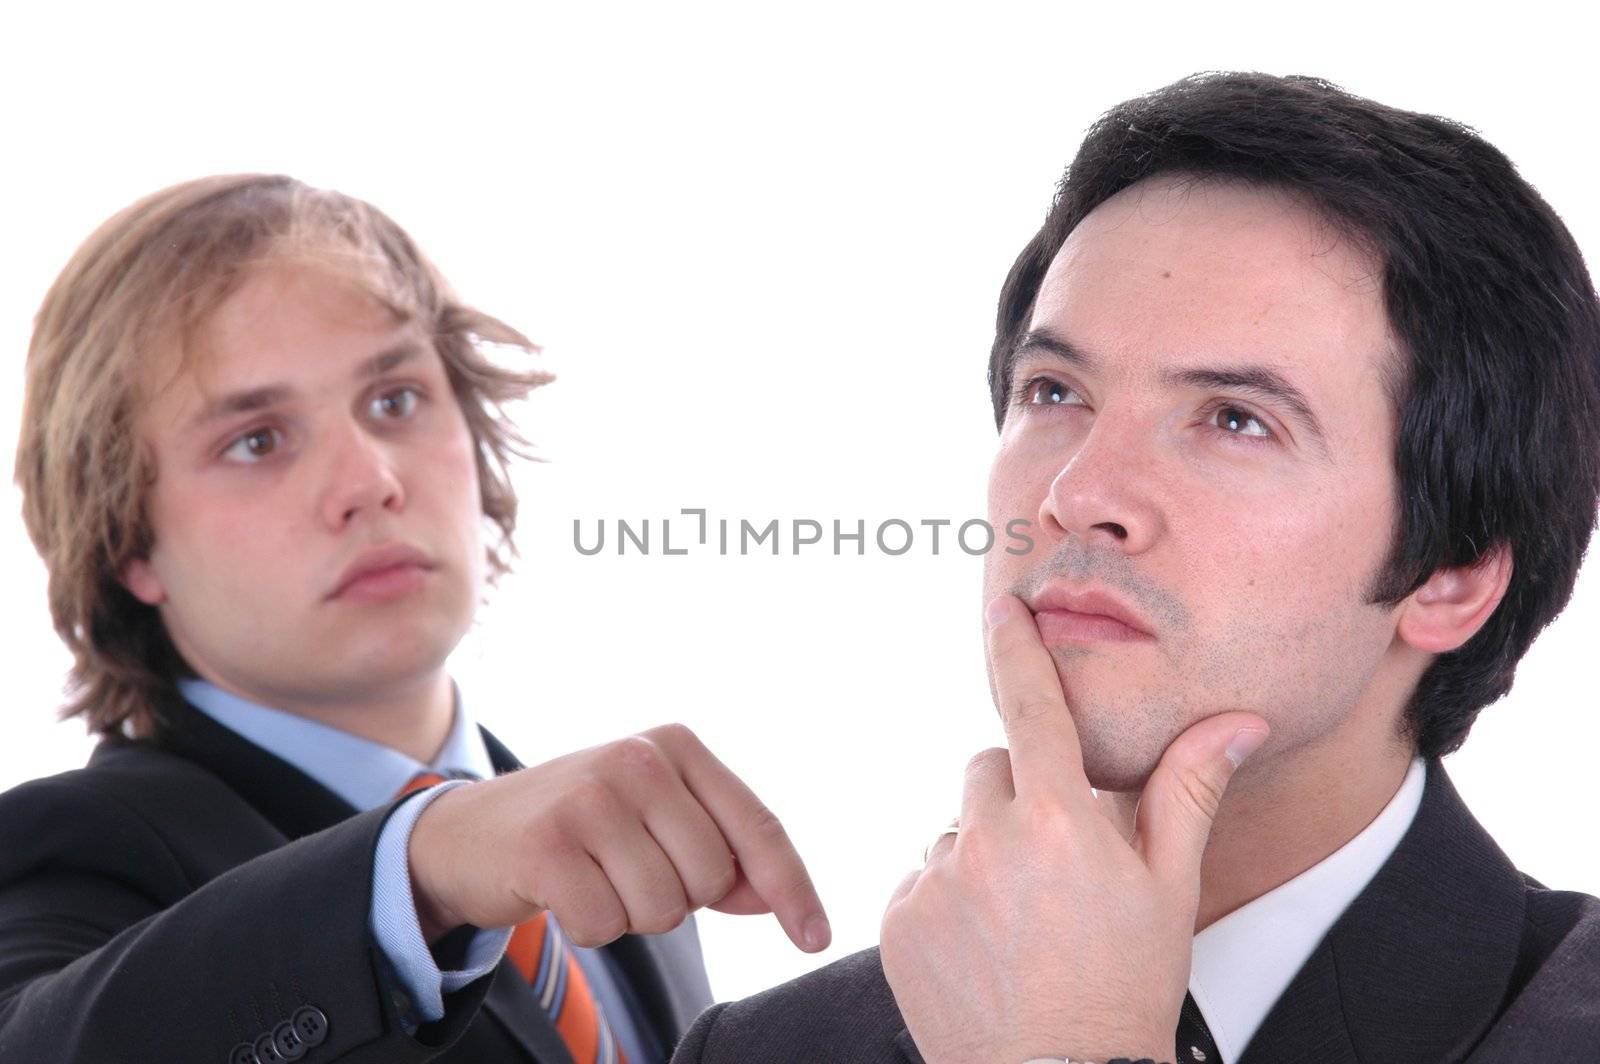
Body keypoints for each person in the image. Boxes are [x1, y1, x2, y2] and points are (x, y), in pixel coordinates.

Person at [669, 72, 1600, 1064]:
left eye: (1235, 419)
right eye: (1053, 390)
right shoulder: (763, 1046)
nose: (1079, 492)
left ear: (1449, 577)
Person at [0, 174, 830, 1064]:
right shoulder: (79, 851)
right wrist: (421, 866)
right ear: (127, 539)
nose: (370, 481)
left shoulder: (606, 836)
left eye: (395, 399)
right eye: (256, 440)